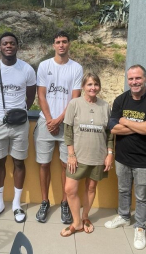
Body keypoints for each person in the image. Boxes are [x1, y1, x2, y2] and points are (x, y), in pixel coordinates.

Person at [104, 65, 146, 250]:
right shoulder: (121, 100)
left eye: (138, 78)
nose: (134, 82)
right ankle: (123, 216)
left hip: (145, 159)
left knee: (142, 196)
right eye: (131, 79)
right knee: (123, 190)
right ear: (127, 80)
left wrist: (124, 121)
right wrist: (140, 125)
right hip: (122, 156)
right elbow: (113, 128)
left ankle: (140, 227)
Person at [0, 32, 36, 223]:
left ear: (17, 46)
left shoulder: (27, 69)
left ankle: (16, 204)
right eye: (5, 43)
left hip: (20, 124)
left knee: (19, 162)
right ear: (0, 47)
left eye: (12, 43)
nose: (9, 46)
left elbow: (30, 96)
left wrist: (19, 113)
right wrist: (0, 112)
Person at [34, 31, 83, 224]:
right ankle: (45, 201)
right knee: (44, 164)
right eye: (57, 42)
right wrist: (49, 119)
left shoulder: (76, 68)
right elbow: (41, 95)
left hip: (66, 123)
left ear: (69, 44)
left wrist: (59, 120)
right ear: (53, 45)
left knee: (66, 165)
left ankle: (65, 203)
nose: (61, 45)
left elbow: (75, 98)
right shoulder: (44, 66)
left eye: (64, 41)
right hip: (45, 121)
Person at [60, 73, 114, 237]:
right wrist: (71, 154)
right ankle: (76, 223)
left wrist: (110, 153)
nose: (93, 88)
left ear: (99, 87)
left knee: (91, 187)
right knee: (70, 189)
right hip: (77, 156)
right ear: (83, 86)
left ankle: (85, 217)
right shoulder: (74, 104)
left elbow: (110, 133)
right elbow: (68, 131)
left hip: (98, 156)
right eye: (89, 84)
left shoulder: (105, 106)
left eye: (96, 84)